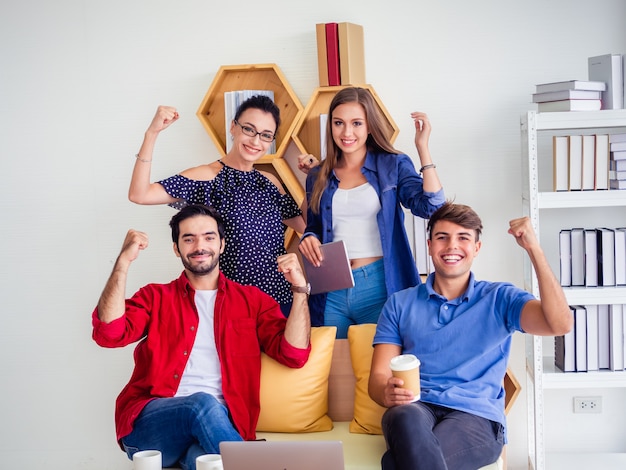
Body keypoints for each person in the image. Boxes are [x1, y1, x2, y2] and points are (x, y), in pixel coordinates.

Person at [92, 204, 311, 470]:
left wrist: (299, 288)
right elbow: (109, 334)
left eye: (209, 237)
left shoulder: (253, 301)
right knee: (200, 404)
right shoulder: (155, 297)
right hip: (152, 428)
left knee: (205, 462)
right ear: (177, 249)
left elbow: (294, 355)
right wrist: (123, 262)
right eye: (189, 238)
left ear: (221, 245)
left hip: (220, 426)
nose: (200, 246)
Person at [368, 202, 573, 470]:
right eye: (442, 237)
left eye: (463, 238)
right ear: (430, 245)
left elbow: (560, 324)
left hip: (476, 417)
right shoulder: (399, 304)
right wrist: (386, 392)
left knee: (398, 462)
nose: (452, 246)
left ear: (476, 248)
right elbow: (378, 379)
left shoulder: (500, 298)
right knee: (402, 417)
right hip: (417, 408)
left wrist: (534, 250)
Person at [128, 95, 306, 316]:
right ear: (233, 127)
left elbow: (304, 226)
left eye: (266, 135)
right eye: (249, 129)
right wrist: (151, 133)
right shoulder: (207, 177)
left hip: (279, 302)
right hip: (233, 306)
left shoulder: (269, 182)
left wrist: (312, 180)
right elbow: (139, 194)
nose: (255, 141)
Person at [297, 86, 445, 336]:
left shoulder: (392, 164)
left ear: (369, 126)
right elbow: (313, 227)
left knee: (381, 369)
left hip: (379, 283)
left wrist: (423, 148)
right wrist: (308, 237)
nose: (347, 132)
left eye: (356, 123)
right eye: (338, 123)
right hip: (331, 286)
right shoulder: (317, 175)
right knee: (332, 368)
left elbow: (431, 206)